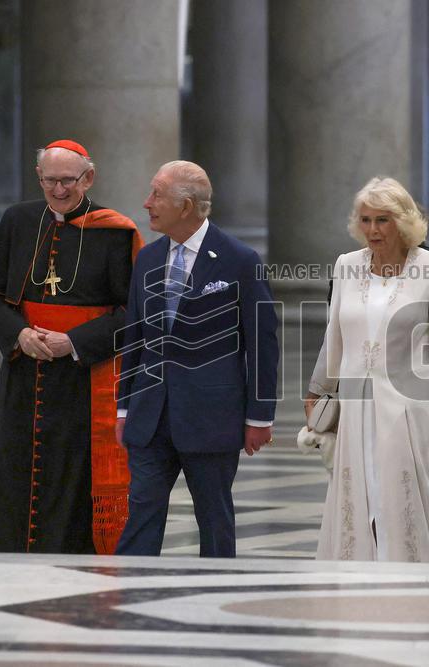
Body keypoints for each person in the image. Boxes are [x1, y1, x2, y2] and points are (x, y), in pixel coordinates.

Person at [0, 139, 144, 554]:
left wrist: (74, 341)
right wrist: (19, 335)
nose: (59, 190)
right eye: (50, 181)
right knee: (16, 476)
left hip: (82, 383)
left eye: (68, 181)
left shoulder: (114, 231)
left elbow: (134, 313)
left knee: (72, 483)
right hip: (23, 377)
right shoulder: (18, 221)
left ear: (88, 178)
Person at [114, 160, 279, 558]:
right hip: (150, 413)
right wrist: (122, 407)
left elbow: (263, 342)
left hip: (213, 416)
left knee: (214, 519)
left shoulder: (240, 259)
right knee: (140, 514)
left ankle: (217, 597)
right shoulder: (147, 258)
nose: (146, 202)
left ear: (186, 206)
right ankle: (131, 596)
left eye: (157, 194)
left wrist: (260, 416)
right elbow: (133, 335)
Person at [306, 176, 429, 563]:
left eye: (383, 220)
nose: (372, 230)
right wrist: (318, 390)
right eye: (366, 219)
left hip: (412, 405)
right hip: (357, 401)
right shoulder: (346, 266)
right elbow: (334, 334)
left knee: (402, 494)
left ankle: (413, 580)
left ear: (404, 221)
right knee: (360, 492)